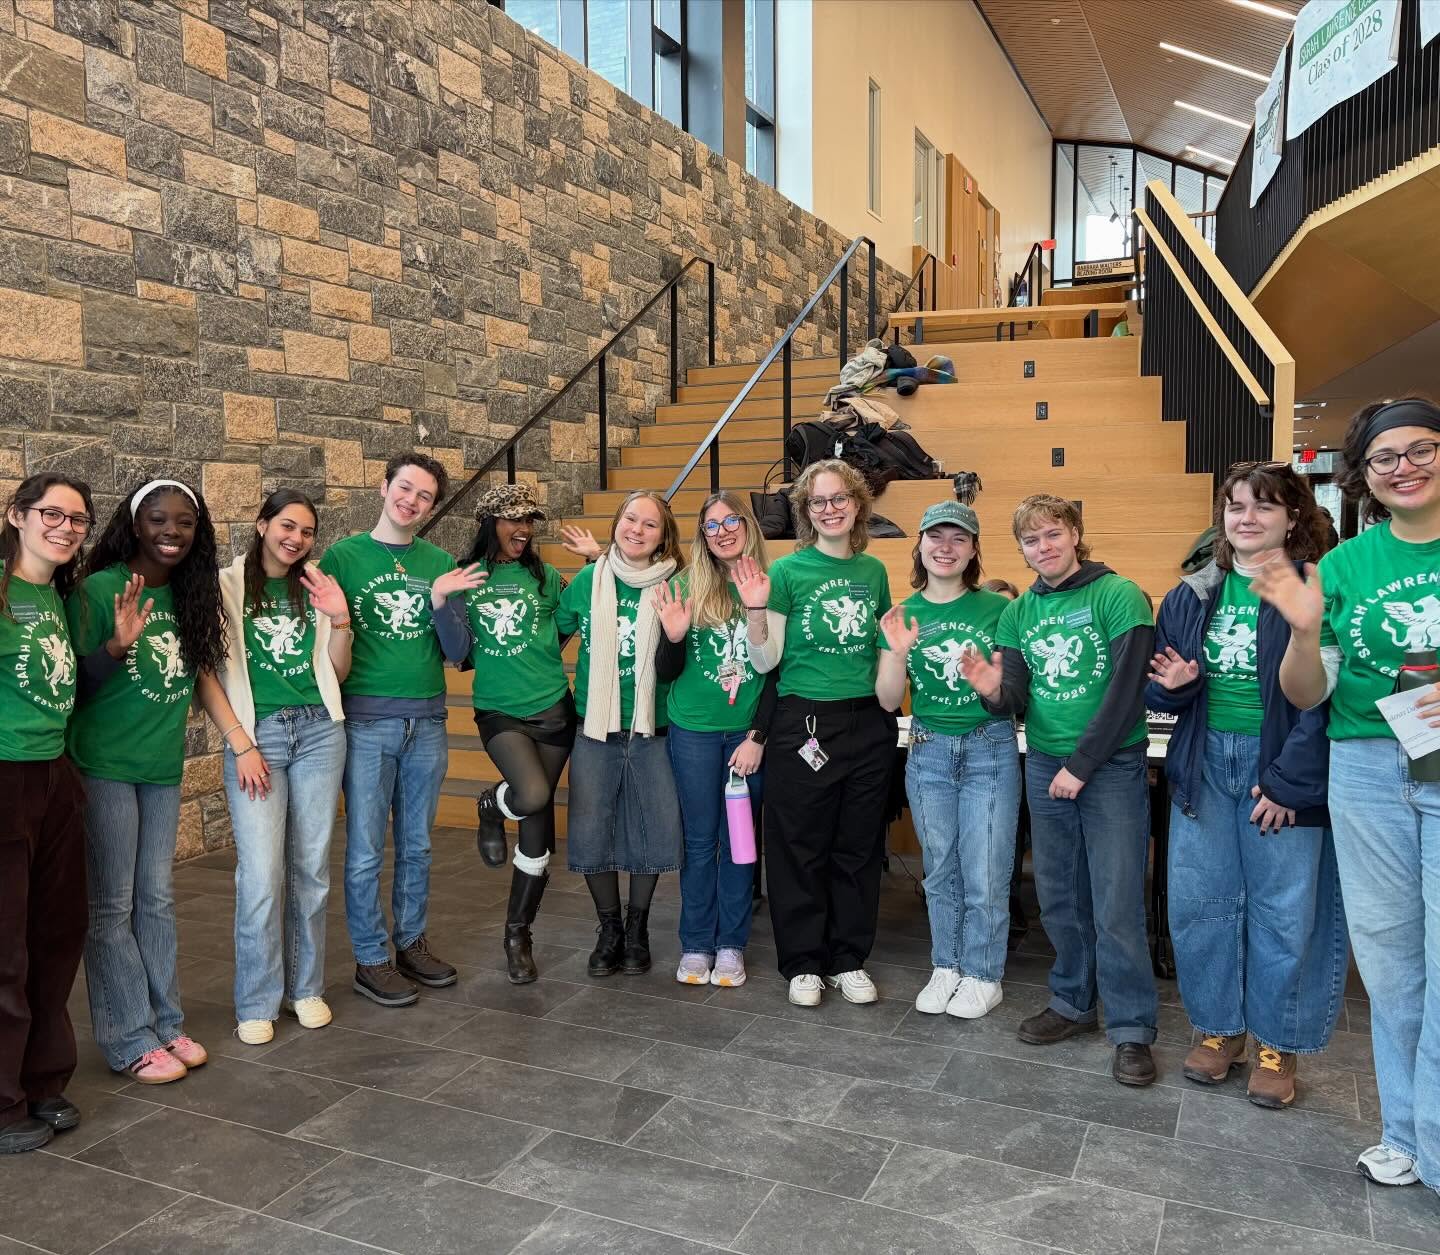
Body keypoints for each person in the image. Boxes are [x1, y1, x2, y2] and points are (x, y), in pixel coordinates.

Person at [1254, 397, 1440, 1190]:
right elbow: (1306, 693)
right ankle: (1404, 1133)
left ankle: (1433, 1147)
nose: (1404, 467)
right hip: (1364, 766)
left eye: (1421, 449)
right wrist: (1300, 631)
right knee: (1393, 966)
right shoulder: (1344, 566)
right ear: (1363, 477)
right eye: (1384, 458)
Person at [1147, 463, 1346, 1108]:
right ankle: (1217, 1028)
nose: (1247, 518)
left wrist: (1290, 783)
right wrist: (1175, 687)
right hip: (1205, 767)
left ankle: (1275, 1041)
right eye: (1234, 506)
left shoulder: (1316, 587)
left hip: (1280, 770)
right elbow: (1163, 687)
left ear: (1294, 516)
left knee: (1284, 914)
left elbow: (1325, 703)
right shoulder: (1191, 593)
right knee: (1201, 907)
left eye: (1263, 506)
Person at [962, 494, 1160, 1086]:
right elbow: (1015, 701)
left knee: (1117, 900)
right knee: (1059, 896)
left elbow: (1128, 692)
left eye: (1052, 534)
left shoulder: (1119, 595)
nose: (1042, 547)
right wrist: (991, 690)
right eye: (1030, 540)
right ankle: (1074, 1001)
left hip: (1110, 766)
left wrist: (1081, 764)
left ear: (1075, 533)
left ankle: (1131, 1028)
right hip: (1046, 763)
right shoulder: (1017, 613)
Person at [69, 479, 225, 1084]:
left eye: (184, 522)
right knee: (111, 907)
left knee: (155, 901)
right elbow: (74, 684)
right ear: (134, 526)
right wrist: (114, 646)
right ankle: (127, 1037)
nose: (171, 531)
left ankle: (167, 1021)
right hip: (104, 767)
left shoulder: (190, 593)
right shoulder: (102, 589)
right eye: (158, 520)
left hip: (160, 770)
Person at [319, 453, 482, 1008]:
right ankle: (370, 958)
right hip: (365, 724)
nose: (411, 501)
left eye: (424, 496)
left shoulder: (438, 560)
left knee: (417, 845)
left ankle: (411, 942)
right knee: (365, 849)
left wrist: (440, 600)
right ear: (384, 486)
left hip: (428, 723)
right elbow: (325, 641)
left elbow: (459, 651)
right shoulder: (343, 556)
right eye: (404, 488)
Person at [195, 490, 351, 1045]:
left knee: (310, 870)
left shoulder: (316, 586)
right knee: (261, 874)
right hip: (258, 736)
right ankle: (256, 1000)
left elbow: (337, 671)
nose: (296, 539)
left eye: (307, 532)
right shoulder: (224, 585)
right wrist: (240, 742)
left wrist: (340, 619)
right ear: (262, 525)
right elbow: (206, 670)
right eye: (287, 526)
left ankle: (305, 988)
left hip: (319, 732)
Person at [749, 459, 897, 1008]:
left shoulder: (874, 572)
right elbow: (766, 661)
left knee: (857, 847)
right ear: (806, 512)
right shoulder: (788, 572)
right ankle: (804, 962)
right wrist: (756, 609)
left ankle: (847, 958)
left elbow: (882, 647)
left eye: (839, 499)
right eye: (818, 501)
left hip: (867, 723)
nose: (829, 508)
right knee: (799, 846)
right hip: (804, 721)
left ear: (858, 505)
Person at [876, 501, 1019, 1019]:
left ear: (974, 550)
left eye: (958, 539)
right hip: (928, 749)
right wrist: (893, 652)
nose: (945, 547)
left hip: (990, 747)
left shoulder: (1000, 611)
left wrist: (992, 686)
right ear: (919, 546)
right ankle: (947, 966)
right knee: (939, 870)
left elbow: (1014, 691)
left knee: (985, 871)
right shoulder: (902, 612)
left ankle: (983, 973)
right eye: (935, 537)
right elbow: (890, 700)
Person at [434, 482, 572, 984]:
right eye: (515, 519)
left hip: (555, 710)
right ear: (490, 523)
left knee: (537, 834)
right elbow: (456, 652)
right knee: (532, 795)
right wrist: (441, 601)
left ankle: (518, 933)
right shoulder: (469, 577)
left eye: (530, 521)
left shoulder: (546, 576)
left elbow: (566, 624)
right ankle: (491, 805)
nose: (525, 529)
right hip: (499, 712)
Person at [0, 475, 94, 1154]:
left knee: (58, 932)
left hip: (55, 772)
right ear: (16, 515)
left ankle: (42, 1078)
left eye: (78, 519)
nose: (65, 526)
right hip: (5, 776)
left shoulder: (53, 592)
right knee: (5, 947)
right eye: (51, 514)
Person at [555, 490, 684, 978]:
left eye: (650, 524)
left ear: (663, 536)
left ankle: (638, 927)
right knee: (593, 830)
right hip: (596, 726)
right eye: (630, 519)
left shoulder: (676, 584)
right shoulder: (591, 578)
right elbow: (555, 632)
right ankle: (608, 928)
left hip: (655, 726)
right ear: (617, 524)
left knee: (653, 828)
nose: (637, 529)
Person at [654, 492, 774, 988]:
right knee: (701, 842)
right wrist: (675, 637)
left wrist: (757, 737)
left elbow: (776, 675)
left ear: (748, 526)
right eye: (711, 525)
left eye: (731, 521)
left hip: (746, 738)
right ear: (701, 536)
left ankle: (732, 945)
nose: (722, 531)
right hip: (694, 734)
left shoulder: (772, 583)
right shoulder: (682, 585)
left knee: (739, 842)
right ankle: (697, 943)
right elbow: (665, 674)